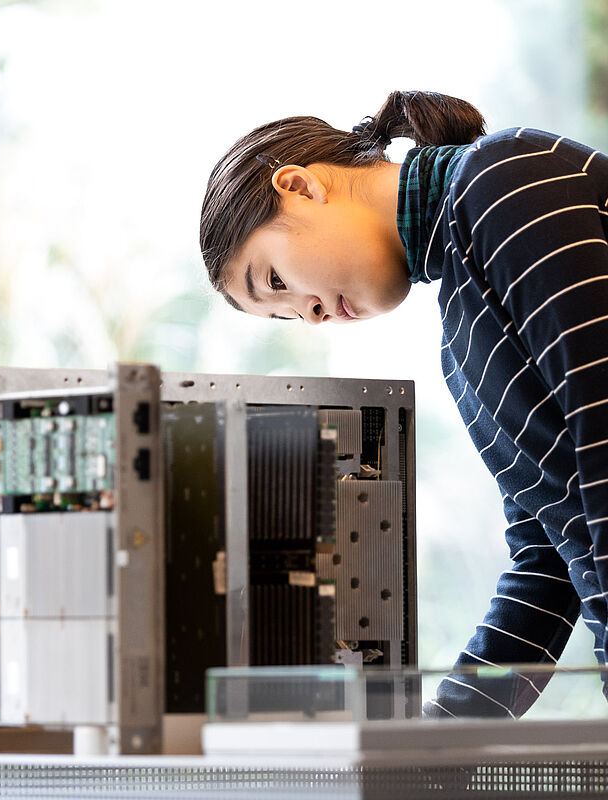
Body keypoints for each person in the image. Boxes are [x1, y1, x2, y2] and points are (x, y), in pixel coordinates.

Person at [199, 90, 608, 718]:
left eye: (276, 281)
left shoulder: (504, 182)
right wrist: (436, 745)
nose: (307, 316)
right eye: (284, 315)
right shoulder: (463, 327)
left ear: (300, 187)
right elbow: (550, 555)